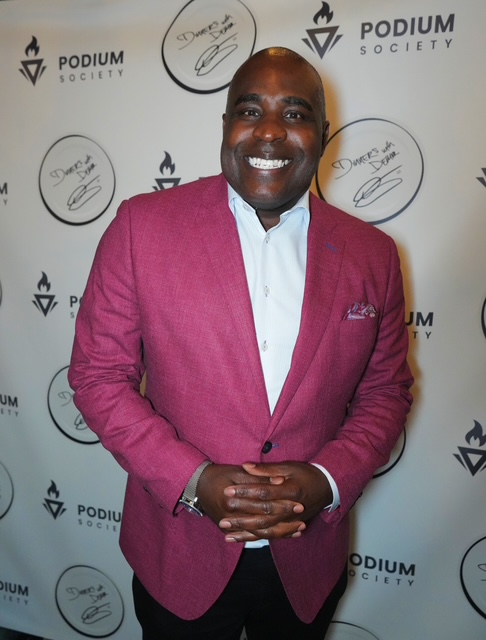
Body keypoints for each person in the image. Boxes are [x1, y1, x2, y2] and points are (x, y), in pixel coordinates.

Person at [69, 47, 413, 639]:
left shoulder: (373, 255)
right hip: (179, 553)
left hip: (308, 562)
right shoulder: (140, 228)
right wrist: (193, 480)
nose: (271, 131)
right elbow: (98, 377)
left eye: (295, 113)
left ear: (324, 133)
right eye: (250, 110)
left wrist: (327, 480)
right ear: (226, 124)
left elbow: (387, 392)